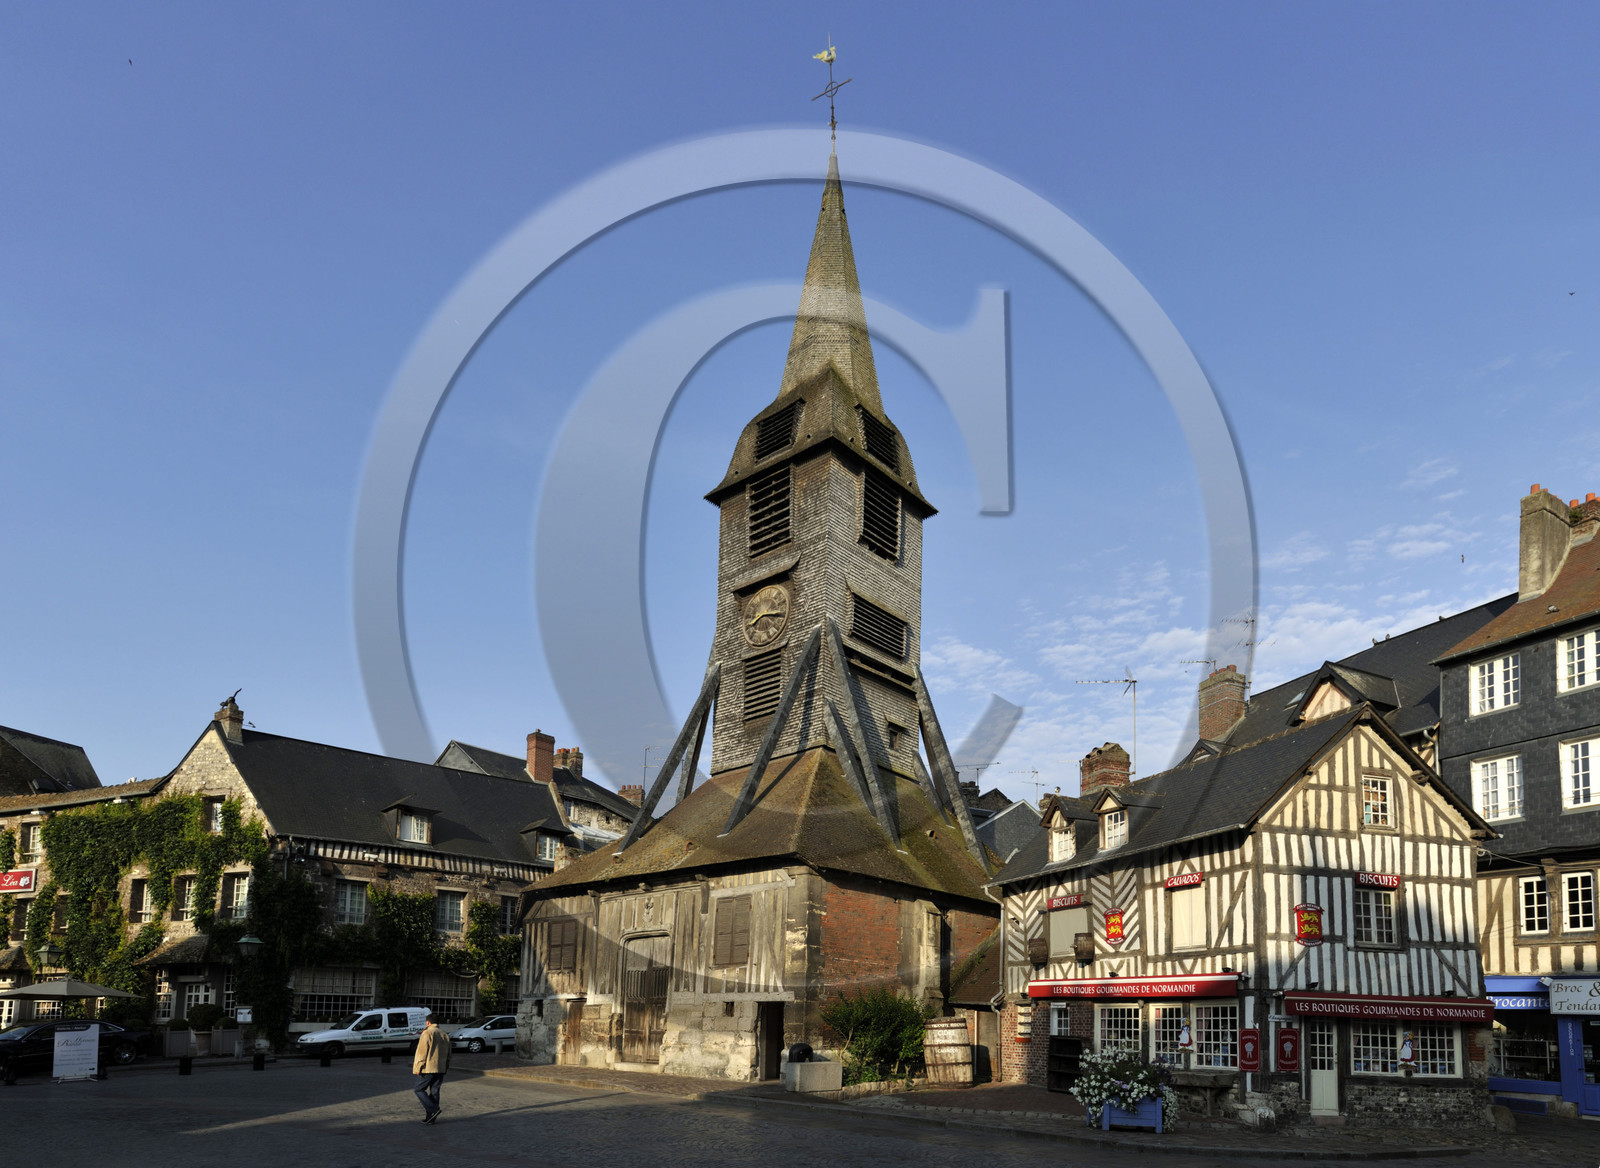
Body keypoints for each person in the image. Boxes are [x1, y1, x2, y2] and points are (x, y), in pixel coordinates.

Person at [412, 1012, 451, 1124]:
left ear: (428, 1022)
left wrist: (418, 1067)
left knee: (418, 1089)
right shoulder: (444, 1034)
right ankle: (431, 1118)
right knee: (434, 1091)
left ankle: (433, 1110)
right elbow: (449, 1054)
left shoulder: (427, 1033)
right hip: (441, 1068)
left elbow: (422, 1052)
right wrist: (446, 1066)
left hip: (428, 1068)